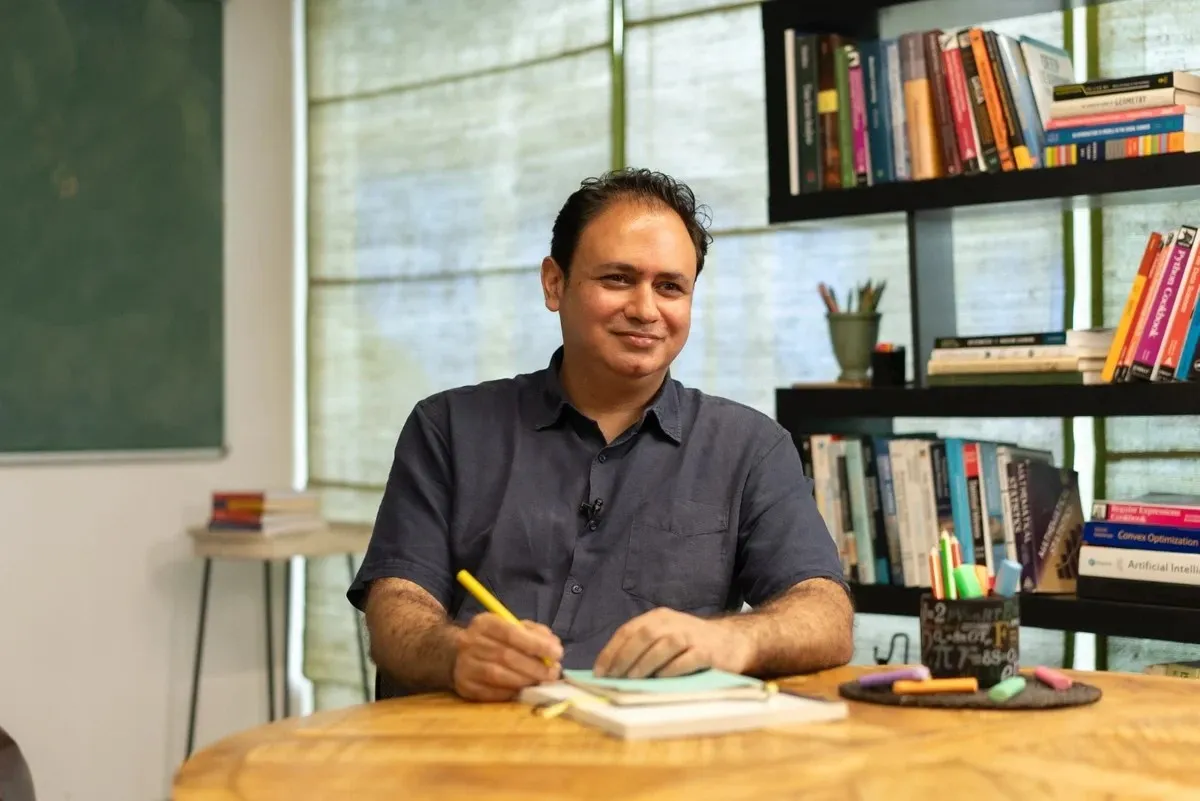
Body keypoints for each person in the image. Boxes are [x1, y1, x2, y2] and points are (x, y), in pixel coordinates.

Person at [348, 168, 853, 702]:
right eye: (617, 279)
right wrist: (455, 653)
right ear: (554, 283)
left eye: (670, 287)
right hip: (475, 736)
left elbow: (825, 613)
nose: (645, 310)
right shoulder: (447, 427)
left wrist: (731, 640)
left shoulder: (750, 447)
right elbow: (396, 612)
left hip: (653, 746)